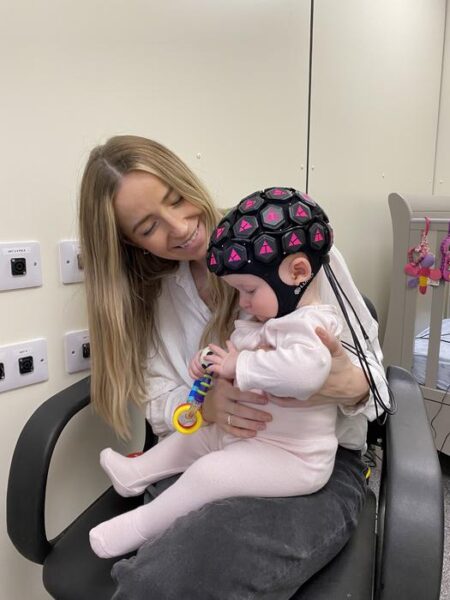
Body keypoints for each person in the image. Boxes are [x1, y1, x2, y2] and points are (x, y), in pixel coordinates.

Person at [78, 135, 389, 599]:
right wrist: (207, 403)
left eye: (177, 199)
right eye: (149, 227)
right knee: (164, 567)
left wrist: (349, 385)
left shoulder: (290, 251)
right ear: (128, 241)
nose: (181, 226)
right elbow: (159, 405)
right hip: (217, 449)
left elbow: (381, 390)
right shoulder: (155, 297)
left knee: (159, 581)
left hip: (309, 463)